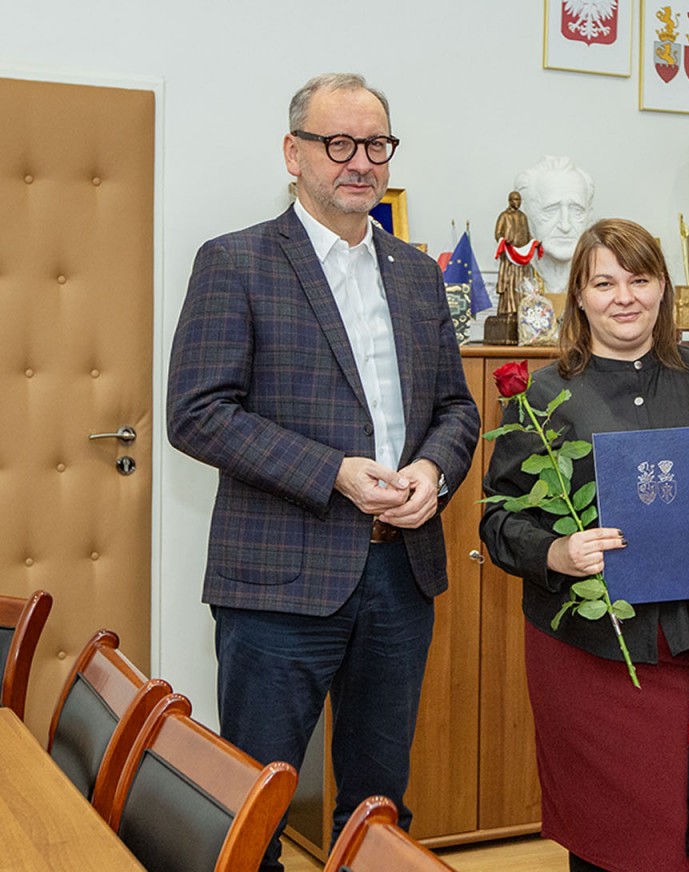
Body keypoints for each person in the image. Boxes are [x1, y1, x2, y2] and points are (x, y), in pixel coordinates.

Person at [166, 72, 480, 870]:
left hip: (400, 576)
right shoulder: (236, 261)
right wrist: (333, 471)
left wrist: (432, 473)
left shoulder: (416, 272)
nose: (359, 162)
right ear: (293, 153)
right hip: (278, 581)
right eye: (337, 143)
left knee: (379, 805)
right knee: (255, 804)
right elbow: (197, 412)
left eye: (375, 145)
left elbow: (457, 407)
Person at [480, 218, 689, 872]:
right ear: (579, 294)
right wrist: (556, 553)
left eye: (640, 279)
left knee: (688, 832)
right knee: (604, 837)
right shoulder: (542, 396)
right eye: (604, 283)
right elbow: (498, 520)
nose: (624, 297)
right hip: (586, 651)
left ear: (664, 288)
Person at [514, 155, 595, 295]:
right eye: (550, 210)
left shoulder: (601, 277)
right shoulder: (513, 278)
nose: (565, 226)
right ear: (525, 213)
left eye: (577, 210)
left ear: (589, 217)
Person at [493, 190, 540, 315]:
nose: (518, 202)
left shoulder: (523, 217)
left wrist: (534, 243)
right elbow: (498, 234)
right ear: (510, 201)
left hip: (522, 257)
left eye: (519, 200)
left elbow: (527, 234)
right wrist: (504, 240)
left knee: (522, 283)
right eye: (515, 199)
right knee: (510, 283)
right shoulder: (504, 216)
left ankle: (521, 309)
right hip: (509, 256)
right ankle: (509, 309)